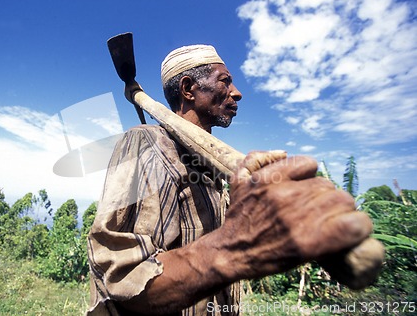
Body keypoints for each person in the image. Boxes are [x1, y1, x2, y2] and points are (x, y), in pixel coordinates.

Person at [86, 45, 372, 315]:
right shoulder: (147, 143)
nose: (237, 93)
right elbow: (122, 278)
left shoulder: (215, 172)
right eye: (225, 81)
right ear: (188, 88)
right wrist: (238, 247)